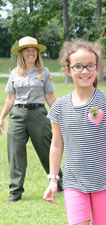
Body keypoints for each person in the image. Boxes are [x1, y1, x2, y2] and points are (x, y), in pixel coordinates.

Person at [42, 39, 106, 225]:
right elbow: (56, 145)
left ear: (97, 69)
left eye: (90, 66)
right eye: (78, 66)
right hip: (73, 183)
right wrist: (53, 179)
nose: (85, 71)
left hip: (104, 181)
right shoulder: (60, 107)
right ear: (68, 70)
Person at [0, 36, 62, 205]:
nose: (30, 52)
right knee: (15, 154)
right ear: (21, 53)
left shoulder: (44, 72)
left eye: (33, 50)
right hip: (18, 116)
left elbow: (50, 97)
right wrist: (1, 117)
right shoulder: (14, 73)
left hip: (38, 115)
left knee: (46, 150)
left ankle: (59, 182)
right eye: (27, 50)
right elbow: (10, 98)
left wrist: (60, 117)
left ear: (37, 53)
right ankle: (15, 193)